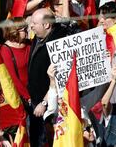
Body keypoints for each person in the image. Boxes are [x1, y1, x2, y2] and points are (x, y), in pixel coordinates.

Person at [27, 8, 68, 146]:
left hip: (48, 106)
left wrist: (44, 103)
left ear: (46, 25)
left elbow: (59, 79)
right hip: (35, 101)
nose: (30, 26)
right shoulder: (39, 37)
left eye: (34, 23)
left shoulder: (58, 45)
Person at [0, 17, 31, 102]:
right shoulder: (6, 50)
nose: (27, 31)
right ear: (15, 32)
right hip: (21, 96)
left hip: (35, 89)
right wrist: (27, 96)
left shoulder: (29, 43)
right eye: (24, 29)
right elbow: (13, 78)